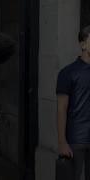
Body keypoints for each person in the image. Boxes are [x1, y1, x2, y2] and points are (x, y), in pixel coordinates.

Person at [57, 25, 90, 180]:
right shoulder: (67, 73)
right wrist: (62, 142)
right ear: (83, 44)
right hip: (76, 140)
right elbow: (61, 108)